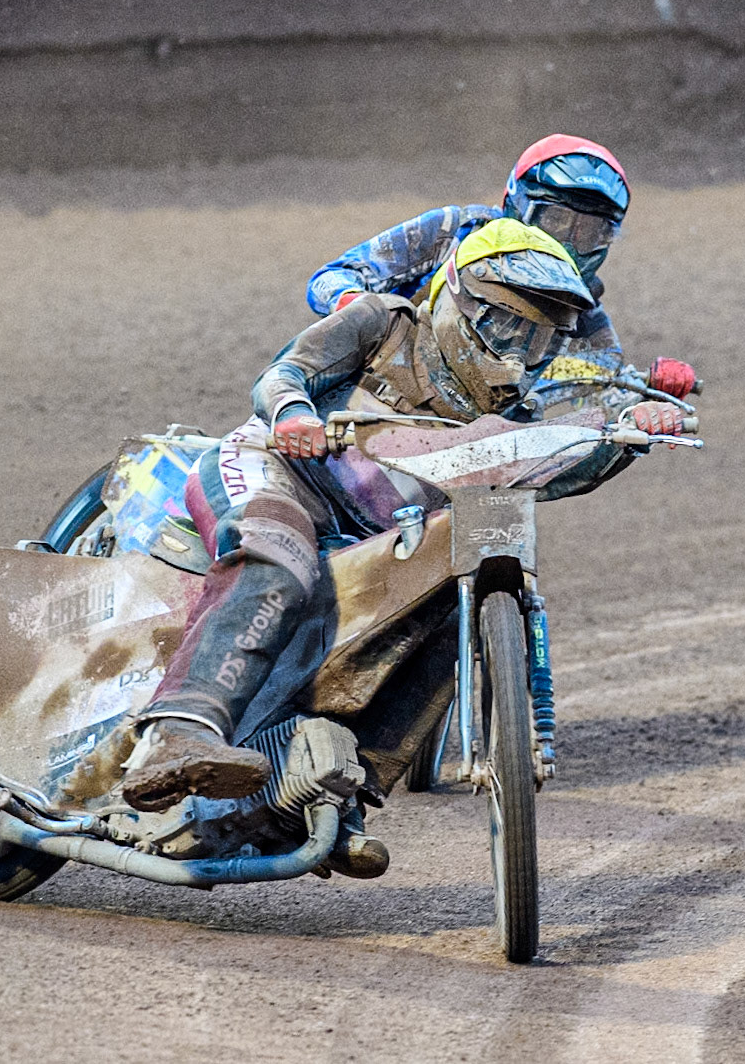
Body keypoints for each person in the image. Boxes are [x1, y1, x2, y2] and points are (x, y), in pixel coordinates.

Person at [105, 218, 689, 820]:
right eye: (504, 324)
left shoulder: (521, 410)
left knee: (443, 605)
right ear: (458, 300)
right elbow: (285, 372)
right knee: (278, 558)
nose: (516, 354)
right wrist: (293, 415)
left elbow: (565, 464)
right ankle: (178, 732)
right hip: (278, 470)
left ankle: (334, 795)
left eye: (536, 340)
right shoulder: (383, 321)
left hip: (373, 533)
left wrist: (631, 434)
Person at [305, 134, 700, 408]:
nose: (565, 243)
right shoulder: (451, 232)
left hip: (446, 448)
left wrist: (643, 391)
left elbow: (592, 392)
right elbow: (333, 277)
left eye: (590, 231)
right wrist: (363, 313)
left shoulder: (588, 324)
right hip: (353, 403)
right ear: (515, 205)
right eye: (557, 221)